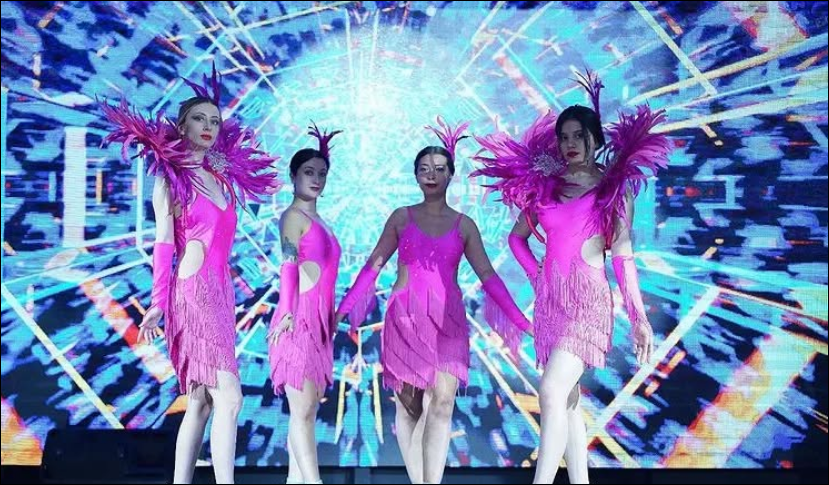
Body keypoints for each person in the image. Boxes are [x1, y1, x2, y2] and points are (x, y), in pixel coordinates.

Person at [471, 71, 671, 484]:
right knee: (568, 401)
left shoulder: (614, 188)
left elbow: (623, 257)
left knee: (550, 390)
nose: (570, 144)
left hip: (589, 302)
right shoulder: (545, 187)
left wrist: (638, 317)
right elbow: (516, 239)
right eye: (564, 137)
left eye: (579, 135)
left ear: (596, 139)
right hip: (551, 304)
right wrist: (538, 275)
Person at [101, 64, 280, 484]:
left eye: (215, 120)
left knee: (200, 401)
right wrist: (157, 303)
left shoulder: (222, 177)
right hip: (192, 291)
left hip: (221, 293)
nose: (209, 127)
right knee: (230, 397)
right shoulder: (170, 179)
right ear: (181, 126)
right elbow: (164, 244)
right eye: (199, 119)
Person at [336, 118, 532, 484]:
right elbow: (373, 265)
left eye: (440, 169)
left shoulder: (465, 225)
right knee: (410, 406)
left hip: (448, 322)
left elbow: (488, 276)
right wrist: (343, 310)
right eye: (425, 168)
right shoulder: (401, 218)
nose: (432, 174)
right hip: (405, 319)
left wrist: (521, 321)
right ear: (415, 175)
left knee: (441, 403)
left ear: (451, 175)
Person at [267, 124, 343, 485]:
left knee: (309, 410)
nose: (316, 179)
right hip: (296, 319)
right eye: (309, 172)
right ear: (294, 176)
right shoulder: (293, 217)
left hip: (320, 323)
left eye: (322, 173)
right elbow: (288, 263)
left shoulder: (321, 221)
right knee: (301, 410)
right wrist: (286, 311)